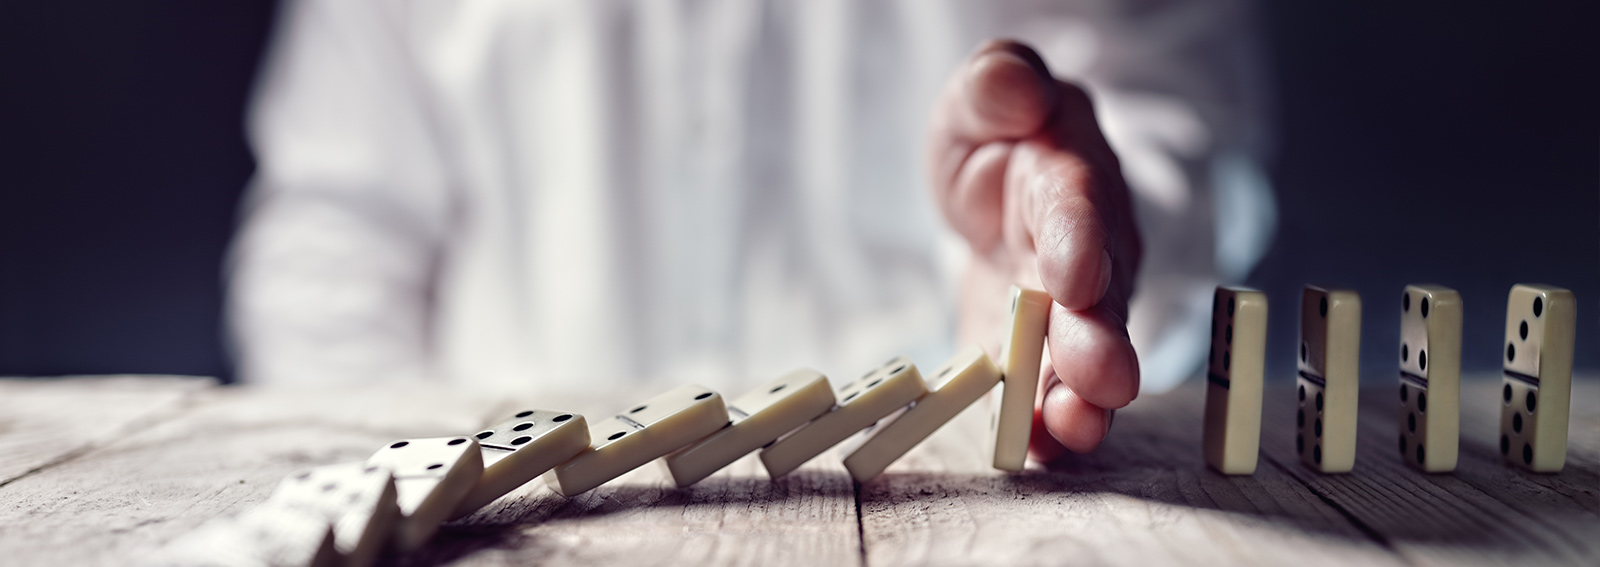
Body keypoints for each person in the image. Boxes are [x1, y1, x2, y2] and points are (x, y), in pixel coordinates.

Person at [228, 0, 1273, 461]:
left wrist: (1093, 250)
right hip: (497, 509)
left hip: (937, 486)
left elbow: (1179, 128)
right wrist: (412, 496)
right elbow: (334, 239)